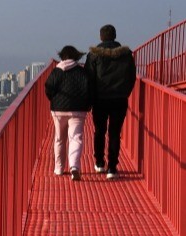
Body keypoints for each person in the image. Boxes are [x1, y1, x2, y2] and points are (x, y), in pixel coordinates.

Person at [85, 24, 136, 179]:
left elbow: (89, 78)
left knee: (100, 131)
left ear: (101, 37)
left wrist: (91, 99)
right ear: (115, 36)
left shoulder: (93, 55)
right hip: (119, 99)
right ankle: (112, 168)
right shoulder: (126, 55)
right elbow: (131, 77)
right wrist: (125, 93)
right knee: (115, 133)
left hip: (100, 100)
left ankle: (99, 162)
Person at [45, 45, 92, 181]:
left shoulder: (57, 71)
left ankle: (59, 168)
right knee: (76, 138)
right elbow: (89, 90)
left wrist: (53, 100)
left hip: (59, 110)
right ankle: (74, 167)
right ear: (76, 57)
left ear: (62, 57)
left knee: (59, 139)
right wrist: (87, 105)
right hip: (78, 110)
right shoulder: (83, 72)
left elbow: (48, 87)